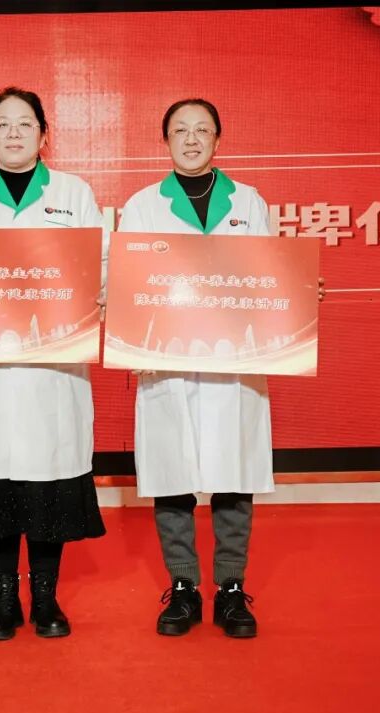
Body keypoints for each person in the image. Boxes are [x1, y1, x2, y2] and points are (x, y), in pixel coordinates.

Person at [0, 87, 106, 640]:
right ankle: (3, 599)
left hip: (52, 370)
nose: (13, 133)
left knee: (48, 483)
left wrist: (99, 291)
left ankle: (47, 600)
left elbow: (100, 265)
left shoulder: (74, 194)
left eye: (25, 123)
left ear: (44, 134)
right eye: (2, 124)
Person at [118, 98, 276, 639]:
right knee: (173, 472)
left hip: (234, 364)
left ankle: (230, 588)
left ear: (218, 140)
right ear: (165, 140)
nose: (191, 139)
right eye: (180, 130)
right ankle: (183, 586)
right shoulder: (142, 206)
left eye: (201, 130)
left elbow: (268, 276)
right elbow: (130, 279)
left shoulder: (249, 202)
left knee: (235, 473)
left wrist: (297, 292)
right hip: (169, 361)